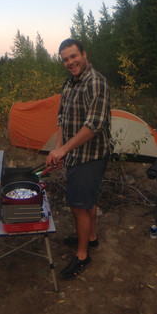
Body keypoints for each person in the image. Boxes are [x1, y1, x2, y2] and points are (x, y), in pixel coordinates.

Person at [46, 38, 113, 279]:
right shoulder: (70, 83)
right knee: (87, 201)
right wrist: (58, 148)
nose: (70, 62)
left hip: (91, 156)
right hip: (75, 153)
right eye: (65, 59)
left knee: (78, 206)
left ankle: (83, 256)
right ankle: (91, 237)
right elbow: (62, 118)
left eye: (73, 56)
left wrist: (64, 150)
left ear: (84, 54)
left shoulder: (95, 82)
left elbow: (94, 125)